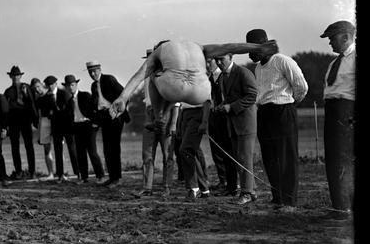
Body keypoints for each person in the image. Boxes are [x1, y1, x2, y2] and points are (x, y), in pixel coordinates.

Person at [108, 39, 279, 135]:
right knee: (168, 77)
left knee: (153, 75)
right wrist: (259, 47)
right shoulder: (199, 47)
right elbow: (230, 47)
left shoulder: (159, 51)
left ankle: (159, 118)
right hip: (201, 92)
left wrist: (122, 98)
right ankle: (163, 116)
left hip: (174, 89)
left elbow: (138, 76)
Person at [245, 29, 308, 209]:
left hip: (283, 111)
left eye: (253, 49)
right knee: (270, 157)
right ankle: (277, 197)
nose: (250, 54)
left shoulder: (282, 61)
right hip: (265, 113)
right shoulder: (258, 68)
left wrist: (289, 104)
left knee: (286, 157)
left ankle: (289, 201)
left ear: (263, 46)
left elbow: (301, 86)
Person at [320, 20, 356, 217]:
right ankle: (340, 206)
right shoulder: (335, 62)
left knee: (345, 160)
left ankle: (347, 206)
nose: (330, 43)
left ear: (345, 37)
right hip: (333, 113)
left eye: (332, 38)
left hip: (348, 113)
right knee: (333, 160)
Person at [214, 53, 258, 205]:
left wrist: (231, 107)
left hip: (245, 123)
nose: (219, 62)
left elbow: (252, 95)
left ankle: (246, 193)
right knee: (239, 159)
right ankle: (250, 191)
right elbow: (230, 97)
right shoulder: (223, 77)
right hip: (232, 125)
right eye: (216, 60)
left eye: (222, 59)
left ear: (231, 57)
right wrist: (222, 106)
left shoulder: (243, 72)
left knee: (245, 158)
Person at [138, 49, 177, 197]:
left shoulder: (167, 76)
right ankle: (147, 187)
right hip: (150, 114)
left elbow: (175, 101)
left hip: (165, 115)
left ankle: (167, 187)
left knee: (167, 155)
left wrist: (171, 122)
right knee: (147, 155)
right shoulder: (145, 78)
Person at [87, 60, 130, 188]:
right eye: (90, 72)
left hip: (115, 116)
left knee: (114, 148)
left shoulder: (109, 79)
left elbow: (125, 95)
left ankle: (117, 178)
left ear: (100, 70)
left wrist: (119, 112)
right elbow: (95, 104)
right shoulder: (93, 86)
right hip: (103, 117)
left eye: (95, 71)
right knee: (106, 149)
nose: (93, 74)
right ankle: (112, 177)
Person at [63, 74, 105, 184]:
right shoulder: (68, 102)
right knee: (80, 153)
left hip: (88, 126)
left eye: (72, 85)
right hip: (77, 127)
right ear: (66, 87)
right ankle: (84, 177)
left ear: (76, 85)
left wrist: (96, 123)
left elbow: (95, 108)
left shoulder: (85, 95)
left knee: (92, 152)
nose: (70, 87)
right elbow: (68, 118)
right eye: (68, 86)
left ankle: (100, 176)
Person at [206, 58, 238, 196]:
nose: (207, 65)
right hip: (213, 118)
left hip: (224, 118)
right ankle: (223, 180)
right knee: (216, 150)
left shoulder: (223, 76)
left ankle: (231, 183)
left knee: (227, 150)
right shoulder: (208, 78)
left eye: (209, 61)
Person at [40, 75, 79, 182]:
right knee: (58, 151)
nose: (51, 86)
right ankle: (60, 175)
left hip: (67, 126)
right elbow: (45, 112)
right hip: (56, 127)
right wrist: (51, 113)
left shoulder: (64, 93)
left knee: (72, 149)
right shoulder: (46, 97)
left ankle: (78, 173)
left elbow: (70, 110)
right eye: (49, 85)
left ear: (56, 84)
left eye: (52, 84)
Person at [3, 65, 38, 180]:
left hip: (25, 119)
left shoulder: (27, 87)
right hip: (13, 121)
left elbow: (33, 103)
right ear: (10, 77)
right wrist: (6, 125)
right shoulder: (8, 91)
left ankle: (32, 171)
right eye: (13, 75)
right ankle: (18, 171)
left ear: (20, 76)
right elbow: (6, 110)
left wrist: (35, 120)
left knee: (29, 146)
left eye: (18, 75)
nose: (16, 77)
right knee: (14, 147)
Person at [178, 99, 211, 201]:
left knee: (185, 150)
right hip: (184, 113)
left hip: (198, 112)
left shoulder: (203, 82)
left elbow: (207, 100)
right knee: (191, 151)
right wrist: (179, 122)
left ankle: (194, 188)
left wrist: (204, 122)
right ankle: (204, 189)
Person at [30, 78, 55, 180]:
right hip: (44, 121)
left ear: (42, 85)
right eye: (35, 88)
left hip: (55, 120)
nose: (37, 89)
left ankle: (61, 172)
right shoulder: (38, 99)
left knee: (59, 148)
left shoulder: (51, 94)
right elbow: (38, 113)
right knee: (47, 148)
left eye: (38, 87)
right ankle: (51, 173)